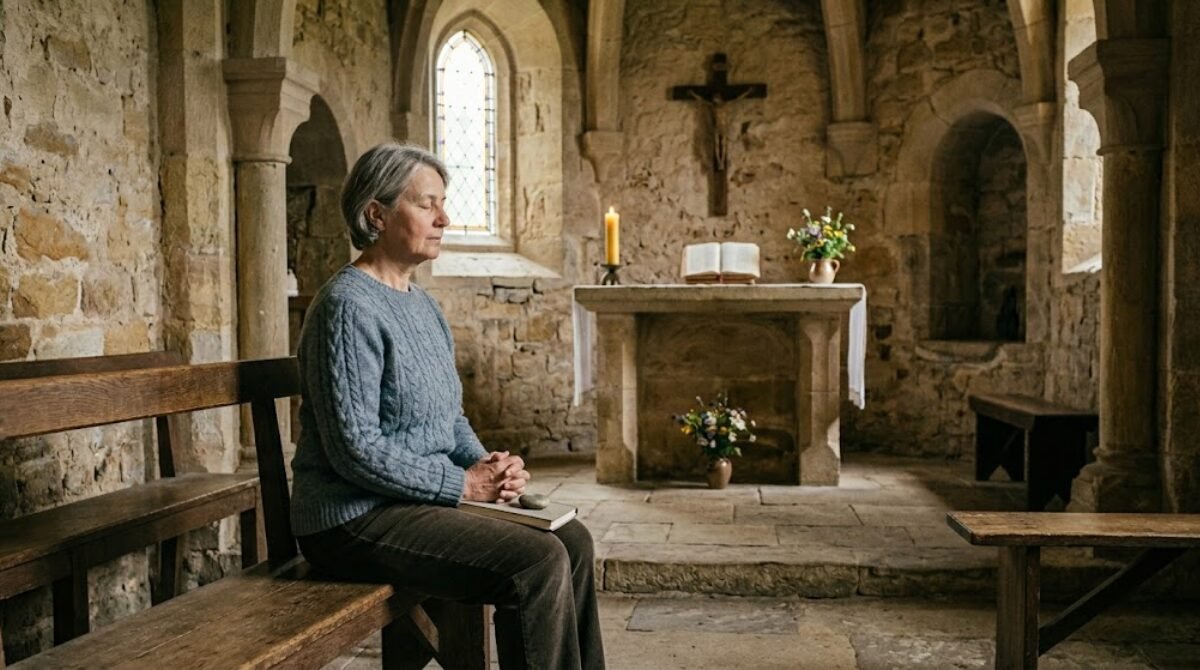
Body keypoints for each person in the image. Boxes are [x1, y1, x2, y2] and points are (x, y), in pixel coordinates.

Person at [290, 142, 605, 670]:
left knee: (573, 540)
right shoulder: (347, 307)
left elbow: (448, 418)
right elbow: (356, 451)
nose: (444, 218)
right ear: (377, 214)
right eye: (427, 204)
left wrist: (492, 471)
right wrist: (463, 485)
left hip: (410, 503)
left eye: (443, 203)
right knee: (536, 561)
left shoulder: (423, 306)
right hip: (352, 518)